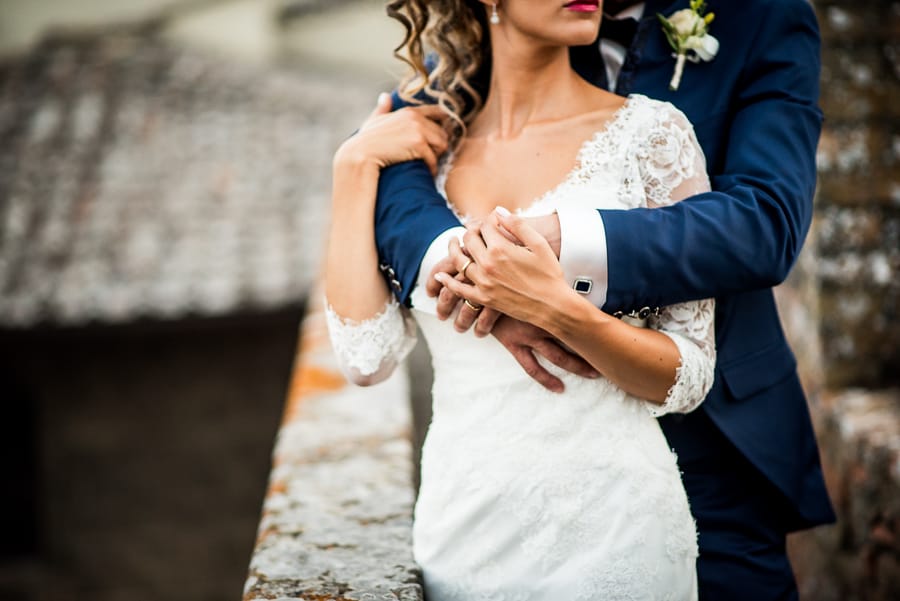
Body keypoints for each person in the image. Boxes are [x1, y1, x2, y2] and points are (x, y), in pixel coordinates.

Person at [371, 0, 836, 599]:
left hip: (719, 438)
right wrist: (476, 276)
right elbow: (398, 155)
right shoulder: (508, 24)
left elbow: (766, 222)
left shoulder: (762, 17)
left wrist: (559, 247)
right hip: (516, 479)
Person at [324, 0, 718, 597]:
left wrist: (557, 311)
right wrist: (353, 165)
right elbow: (365, 357)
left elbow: (689, 374)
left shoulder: (654, 136)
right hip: (463, 528)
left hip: (617, 528)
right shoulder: (424, 151)